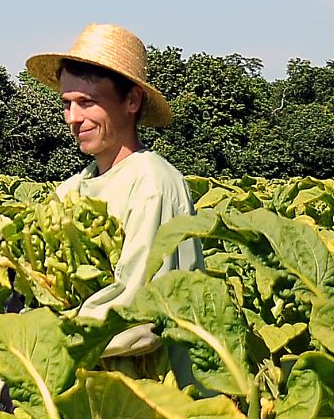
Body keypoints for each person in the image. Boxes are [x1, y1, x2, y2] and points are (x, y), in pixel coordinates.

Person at [25, 22, 203, 382]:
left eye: (87, 103)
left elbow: (140, 316)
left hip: (155, 398)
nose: (73, 119)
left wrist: (45, 340)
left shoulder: (154, 183)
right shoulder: (70, 191)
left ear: (132, 101)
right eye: (67, 104)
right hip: (86, 389)